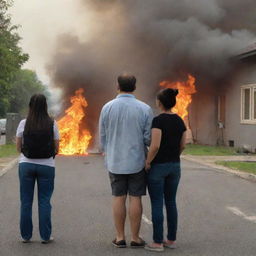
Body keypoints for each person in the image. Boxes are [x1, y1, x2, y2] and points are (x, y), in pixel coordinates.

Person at [99, 74, 153, 248]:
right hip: (137, 161)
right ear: (135, 87)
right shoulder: (144, 109)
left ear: (118, 86)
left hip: (115, 161)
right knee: (136, 197)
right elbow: (148, 138)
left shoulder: (107, 108)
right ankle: (135, 238)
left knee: (118, 197)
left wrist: (107, 150)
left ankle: (120, 237)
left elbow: (103, 136)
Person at [144, 88, 186, 252]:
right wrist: (175, 156)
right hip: (175, 166)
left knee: (157, 203)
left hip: (159, 166)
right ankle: (171, 240)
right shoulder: (180, 121)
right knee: (171, 202)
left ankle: (157, 242)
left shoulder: (158, 121)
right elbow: (183, 145)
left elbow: (154, 145)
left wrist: (148, 162)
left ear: (159, 103)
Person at [16, 94, 59, 244]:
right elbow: (57, 147)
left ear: (30, 106)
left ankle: (25, 236)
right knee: (44, 201)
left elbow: (17, 148)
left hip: (26, 164)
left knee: (26, 201)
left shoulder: (23, 123)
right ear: (45, 106)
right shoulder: (52, 123)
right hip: (47, 166)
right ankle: (46, 236)